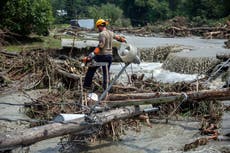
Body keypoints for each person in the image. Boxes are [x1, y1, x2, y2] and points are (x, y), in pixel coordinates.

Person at [83, 19, 126, 91]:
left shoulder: (102, 34)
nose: (98, 29)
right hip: (109, 57)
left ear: (100, 26)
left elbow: (101, 45)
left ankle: (86, 86)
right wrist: (123, 40)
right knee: (106, 73)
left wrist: (93, 54)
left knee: (91, 69)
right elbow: (118, 38)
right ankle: (106, 89)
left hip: (102, 56)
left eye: (98, 27)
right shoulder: (110, 33)